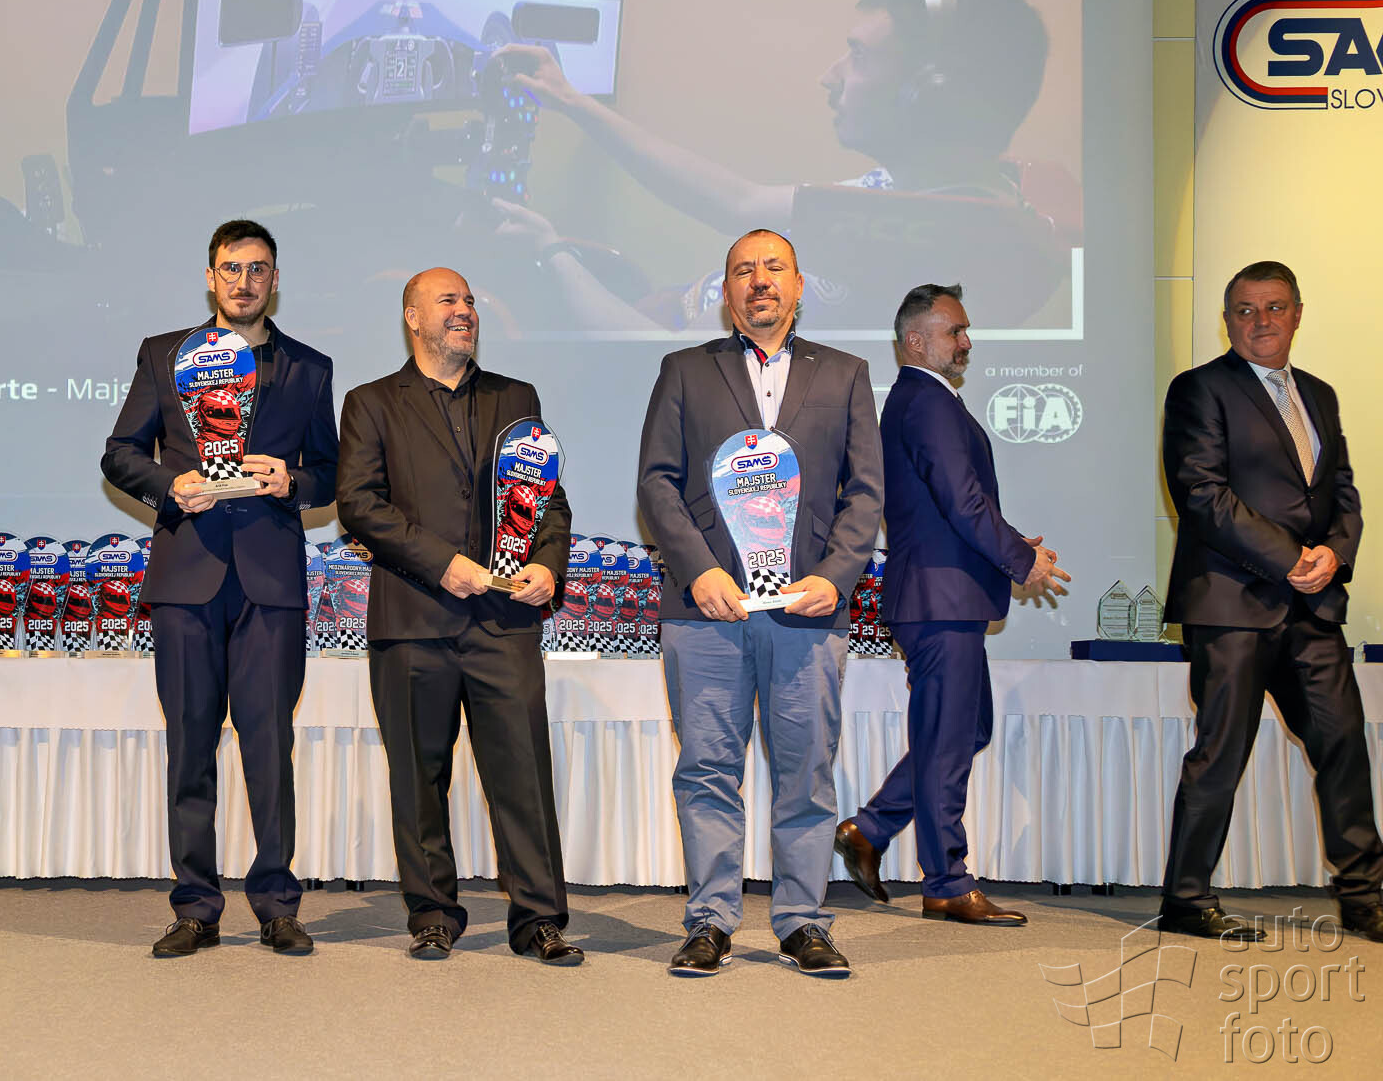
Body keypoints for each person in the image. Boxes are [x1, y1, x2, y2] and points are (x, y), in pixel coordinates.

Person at [493, 0, 1067, 330]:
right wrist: (574, 102)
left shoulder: (885, 246)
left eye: (860, 57)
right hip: (674, 309)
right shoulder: (941, 201)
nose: (830, 76)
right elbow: (740, 201)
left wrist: (553, 252)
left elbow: (657, 363)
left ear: (929, 96)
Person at [636, 229, 882, 976]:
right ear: (726, 292)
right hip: (707, 609)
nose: (759, 280)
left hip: (807, 609)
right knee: (707, 770)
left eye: (774, 267)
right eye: (744, 270)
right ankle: (710, 920)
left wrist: (835, 576)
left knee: (805, 772)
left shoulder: (845, 374)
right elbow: (657, 482)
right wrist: (698, 570)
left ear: (799, 285)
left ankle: (803, 921)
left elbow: (865, 491)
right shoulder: (685, 370)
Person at [101, 220, 338, 957]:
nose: (244, 281)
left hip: (270, 583)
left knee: (269, 747)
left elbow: (331, 472)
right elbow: (119, 453)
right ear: (211, 277)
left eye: (257, 269)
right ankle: (196, 906)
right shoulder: (162, 354)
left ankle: (277, 905)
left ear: (275, 279)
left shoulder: (309, 368)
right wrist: (171, 484)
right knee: (190, 745)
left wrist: (293, 481)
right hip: (187, 577)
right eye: (231, 268)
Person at [335, 267, 580, 964]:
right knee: (419, 780)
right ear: (413, 318)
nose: (464, 310)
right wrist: (442, 562)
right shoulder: (370, 402)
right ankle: (433, 913)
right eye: (448, 301)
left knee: (523, 775)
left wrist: (549, 564)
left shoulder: (515, 397)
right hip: (414, 619)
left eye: (469, 301)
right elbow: (359, 503)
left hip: (505, 621)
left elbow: (548, 500)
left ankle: (538, 918)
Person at [831, 284, 1070, 927]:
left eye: (966, 331)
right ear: (915, 341)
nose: (967, 342)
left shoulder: (926, 400)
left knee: (967, 730)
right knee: (946, 741)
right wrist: (1019, 558)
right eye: (954, 331)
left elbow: (958, 505)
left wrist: (1015, 546)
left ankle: (869, 829)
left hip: (945, 595)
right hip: (938, 597)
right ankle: (946, 882)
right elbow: (963, 502)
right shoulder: (926, 400)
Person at [1157, 262, 1382, 943]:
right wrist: (1292, 559)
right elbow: (1201, 494)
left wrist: (1334, 554)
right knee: (1221, 753)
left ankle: (1365, 897)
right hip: (1230, 604)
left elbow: (1342, 492)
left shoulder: (1320, 394)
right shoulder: (1199, 389)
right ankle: (1187, 900)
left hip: (1313, 608)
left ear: (1298, 314)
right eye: (1245, 310)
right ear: (1227, 320)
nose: (1261, 321)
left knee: (1344, 745)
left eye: (1275, 307)